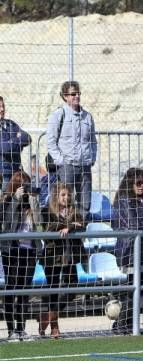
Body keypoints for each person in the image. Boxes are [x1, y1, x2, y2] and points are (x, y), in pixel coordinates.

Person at [111, 168, 143, 333]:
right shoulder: (125, 201)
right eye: (139, 183)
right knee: (134, 287)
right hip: (129, 251)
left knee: (139, 287)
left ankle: (126, 324)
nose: (142, 187)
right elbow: (134, 226)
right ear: (130, 183)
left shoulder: (142, 201)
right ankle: (121, 324)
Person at [40, 182, 85, 338]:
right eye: (63, 195)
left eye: (68, 195)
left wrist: (70, 227)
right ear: (56, 196)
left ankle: (48, 315)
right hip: (52, 256)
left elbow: (82, 225)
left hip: (69, 256)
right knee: (53, 290)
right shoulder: (47, 211)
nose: (66, 198)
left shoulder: (73, 211)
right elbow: (49, 227)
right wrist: (69, 224)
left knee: (73, 286)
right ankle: (54, 327)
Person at [46, 81, 97, 217]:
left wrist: (92, 157)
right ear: (65, 96)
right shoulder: (58, 115)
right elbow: (50, 142)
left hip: (85, 166)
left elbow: (93, 140)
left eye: (78, 93)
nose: (77, 96)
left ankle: (80, 230)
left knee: (85, 202)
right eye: (73, 94)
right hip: (66, 166)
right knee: (64, 201)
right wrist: (61, 161)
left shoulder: (88, 116)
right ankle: (62, 231)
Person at [2, 171, 42, 341]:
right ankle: (11, 330)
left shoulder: (31, 203)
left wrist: (34, 203)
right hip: (11, 251)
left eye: (27, 185)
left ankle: (21, 329)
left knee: (25, 292)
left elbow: (39, 224)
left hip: (30, 251)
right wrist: (15, 200)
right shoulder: (6, 202)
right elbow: (8, 224)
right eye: (22, 186)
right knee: (12, 291)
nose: (25, 189)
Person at [0, 96, 31, 190]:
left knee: (20, 202)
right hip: (3, 174)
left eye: (3, 106)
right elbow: (4, 149)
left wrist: (11, 142)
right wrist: (17, 141)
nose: (2, 109)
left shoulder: (10, 124)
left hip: (17, 173)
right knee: (5, 201)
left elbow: (27, 137)